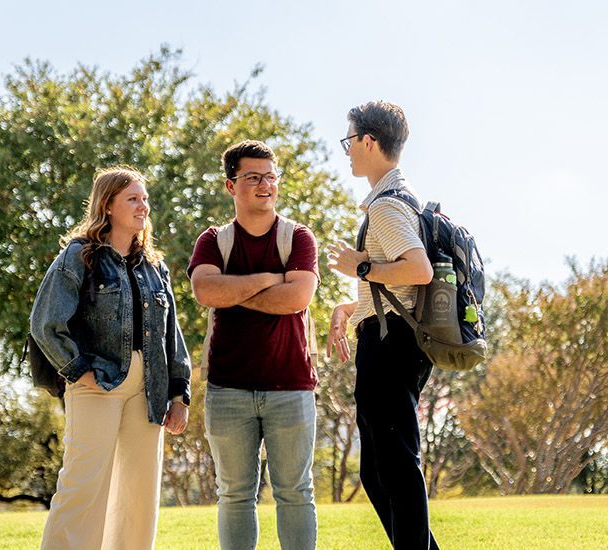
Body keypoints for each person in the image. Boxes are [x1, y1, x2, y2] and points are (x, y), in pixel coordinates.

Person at [31, 167, 192, 550]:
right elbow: (45, 323)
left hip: (149, 386)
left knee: (139, 494)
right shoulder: (79, 256)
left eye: (145, 199)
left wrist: (179, 394)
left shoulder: (154, 265)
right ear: (108, 204)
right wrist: (79, 371)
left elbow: (172, 335)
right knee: (83, 487)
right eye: (132, 199)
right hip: (96, 382)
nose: (143, 206)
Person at [188, 140, 321, 550]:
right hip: (228, 388)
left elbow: (297, 298)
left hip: (291, 386)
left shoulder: (298, 237)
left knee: (295, 492)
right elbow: (205, 291)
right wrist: (269, 279)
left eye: (270, 176)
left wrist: (235, 290)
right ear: (231, 186)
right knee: (234, 494)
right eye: (252, 177)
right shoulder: (213, 241)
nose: (265, 185)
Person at [323, 101, 442, 550]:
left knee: (394, 467)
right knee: (378, 472)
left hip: (391, 346)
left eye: (349, 141)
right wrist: (349, 306)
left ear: (368, 142)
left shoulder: (387, 208)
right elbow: (398, 287)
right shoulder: (397, 198)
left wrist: (362, 266)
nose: (347, 150)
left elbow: (419, 271)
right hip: (391, 337)